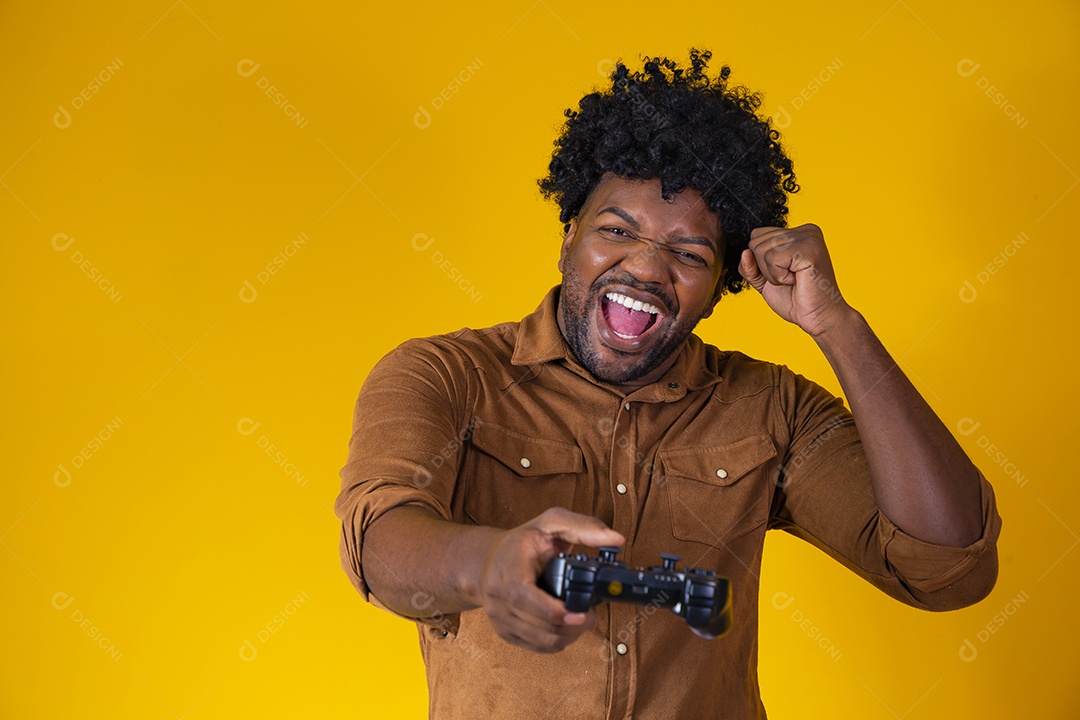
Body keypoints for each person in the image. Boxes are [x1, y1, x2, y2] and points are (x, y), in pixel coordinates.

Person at [334, 49, 1001, 719]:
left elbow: (947, 569)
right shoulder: (446, 375)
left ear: (719, 290)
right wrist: (489, 565)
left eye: (689, 254)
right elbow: (378, 546)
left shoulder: (771, 408)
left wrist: (837, 324)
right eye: (617, 230)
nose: (648, 268)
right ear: (568, 240)